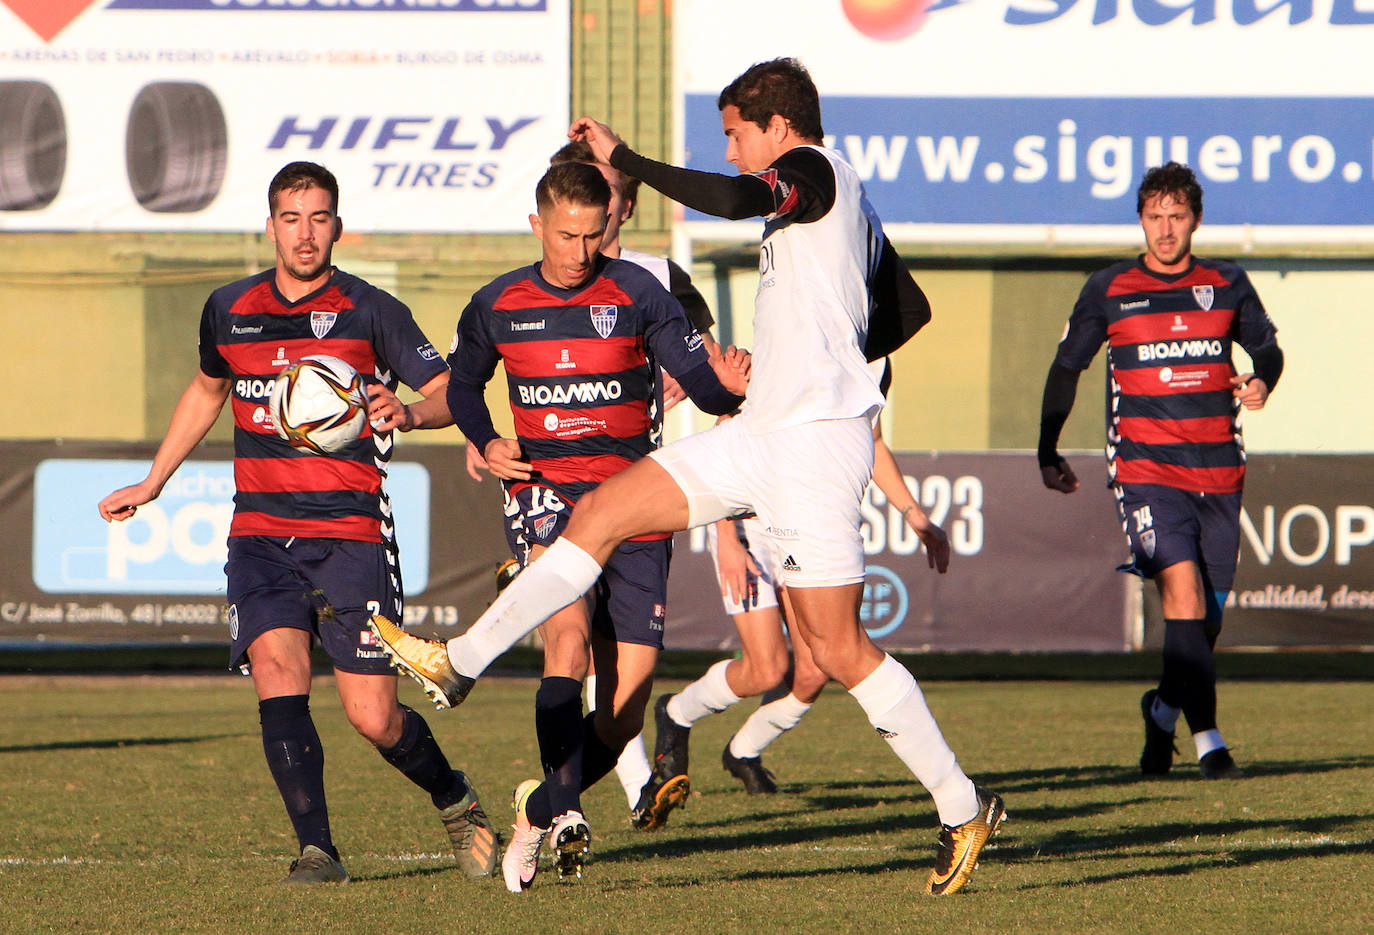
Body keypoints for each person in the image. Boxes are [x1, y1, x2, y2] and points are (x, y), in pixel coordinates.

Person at [372, 58, 1004, 896]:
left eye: (736, 133)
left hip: (813, 444)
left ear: (777, 126)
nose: (734, 150)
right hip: (764, 429)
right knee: (597, 511)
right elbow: (907, 312)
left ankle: (963, 806)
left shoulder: (812, 169)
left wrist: (628, 160)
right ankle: (460, 660)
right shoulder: (843, 210)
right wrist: (828, 342)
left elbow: (743, 198)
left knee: (835, 647)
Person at [97, 161, 498, 885]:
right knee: (277, 672)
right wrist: (154, 481)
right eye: (291, 217)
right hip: (259, 534)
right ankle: (319, 849)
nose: (305, 233)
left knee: (373, 716)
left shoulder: (371, 309)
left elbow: (447, 390)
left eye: (319, 217)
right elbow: (205, 390)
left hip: (351, 535)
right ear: (272, 223)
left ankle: (454, 795)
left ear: (337, 226)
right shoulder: (229, 307)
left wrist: (408, 410)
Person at [389, 161, 747, 892]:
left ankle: (539, 805)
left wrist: (732, 384)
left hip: (638, 497)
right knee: (569, 639)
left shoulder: (640, 293)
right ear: (536, 224)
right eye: (566, 235)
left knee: (625, 706)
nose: (582, 251)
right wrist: (488, 439)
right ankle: (571, 814)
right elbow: (462, 383)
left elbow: (701, 382)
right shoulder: (497, 303)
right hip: (547, 495)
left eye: (593, 235)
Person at [1037, 161, 1284, 781]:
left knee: (1206, 621)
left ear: (1195, 219)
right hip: (1146, 468)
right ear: (1141, 220)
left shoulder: (1226, 282)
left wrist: (1261, 381)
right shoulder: (1110, 288)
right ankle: (1210, 742)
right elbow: (1067, 368)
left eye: (1177, 217)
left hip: (1221, 471)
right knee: (1182, 592)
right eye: (1155, 217)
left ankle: (1162, 710)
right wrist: (1049, 448)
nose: (1166, 229)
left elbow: (1268, 350)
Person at [644, 362, 953, 820]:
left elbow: (875, 441)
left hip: (804, 524)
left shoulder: (874, 359)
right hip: (749, 525)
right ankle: (676, 712)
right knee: (767, 669)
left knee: (812, 672)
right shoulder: (799, 341)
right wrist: (726, 537)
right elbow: (731, 427)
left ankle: (743, 751)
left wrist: (912, 513)